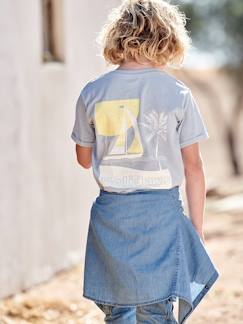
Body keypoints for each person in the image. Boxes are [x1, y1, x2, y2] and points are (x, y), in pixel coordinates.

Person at [71, 0, 219, 323]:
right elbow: (194, 168)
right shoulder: (178, 93)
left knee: (118, 311)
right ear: (168, 38)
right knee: (155, 312)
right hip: (161, 220)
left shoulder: (91, 93)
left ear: (116, 37)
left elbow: (84, 160)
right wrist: (197, 229)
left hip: (112, 219)